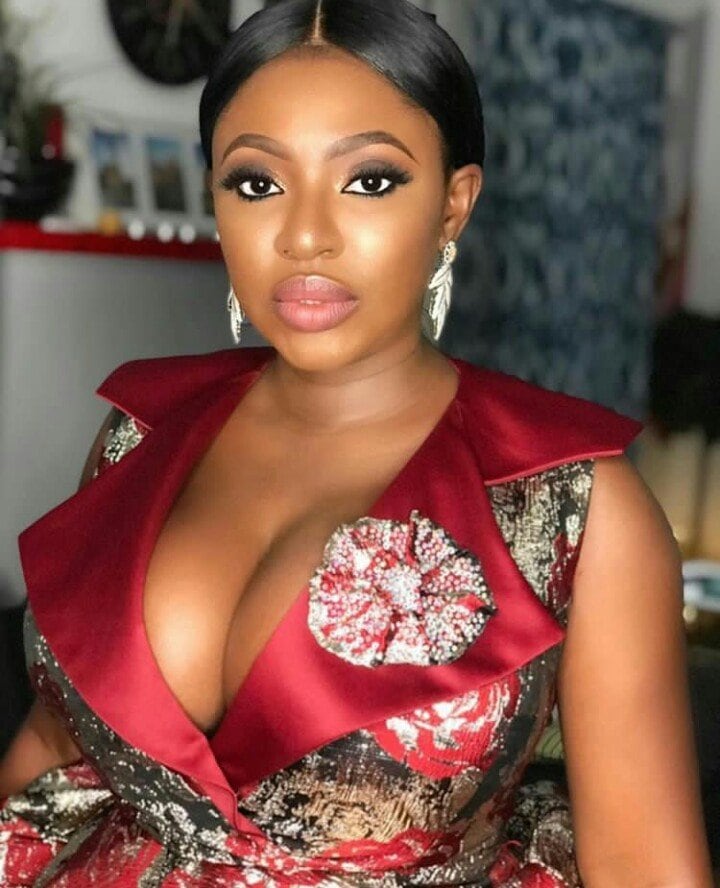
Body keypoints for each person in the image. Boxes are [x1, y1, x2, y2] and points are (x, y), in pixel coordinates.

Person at [0, 1, 714, 885]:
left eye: (370, 181)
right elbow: (54, 750)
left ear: (453, 204)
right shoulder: (137, 436)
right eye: (256, 183)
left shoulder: (576, 506)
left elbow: (646, 865)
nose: (306, 235)